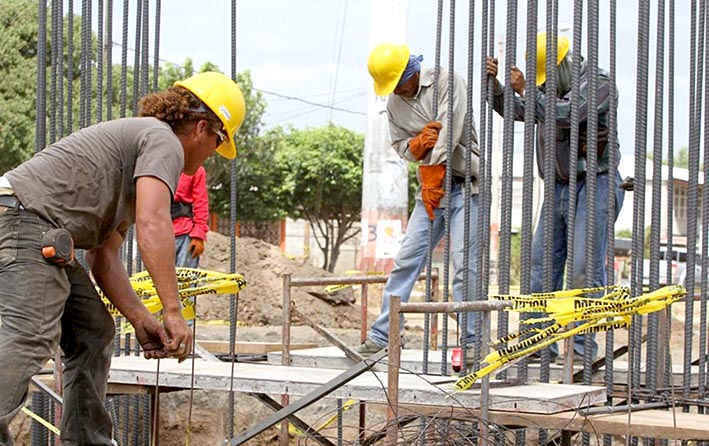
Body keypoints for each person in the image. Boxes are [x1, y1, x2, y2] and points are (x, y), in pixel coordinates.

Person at [0, 71, 245, 445]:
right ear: (201, 127)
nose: (214, 151)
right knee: (30, 334)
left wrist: (143, 319)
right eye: (218, 140)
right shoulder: (164, 143)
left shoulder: (141, 151)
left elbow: (106, 259)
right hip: (24, 220)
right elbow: (154, 222)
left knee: (92, 331)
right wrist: (173, 312)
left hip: (37, 226)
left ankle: (87, 440)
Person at [486, 32, 624, 362]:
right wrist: (497, 89)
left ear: (563, 65)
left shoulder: (600, 84)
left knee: (582, 268)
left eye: (546, 78)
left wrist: (526, 90)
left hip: (597, 184)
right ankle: (537, 344)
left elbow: (569, 114)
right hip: (558, 188)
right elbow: (518, 109)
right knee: (539, 266)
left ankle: (580, 351)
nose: (544, 85)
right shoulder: (548, 89)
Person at [356, 43, 480, 365]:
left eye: (398, 82)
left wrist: (433, 164)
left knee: (463, 267)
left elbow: (448, 133)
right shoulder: (394, 104)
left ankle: (472, 343)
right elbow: (400, 147)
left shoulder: (447, 82)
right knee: (406, 261)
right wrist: (415, 145)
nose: (396, 90)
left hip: (466, 186)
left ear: (410, 72)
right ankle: (383, 336)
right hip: (429, 190)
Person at [172, 167, 210, 269]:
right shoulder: (157, 163)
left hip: (184, 233)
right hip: (157, 232)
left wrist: (198, 235)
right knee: (153, 281)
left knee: (185, 281)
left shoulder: (196, 169)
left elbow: (200, 203)